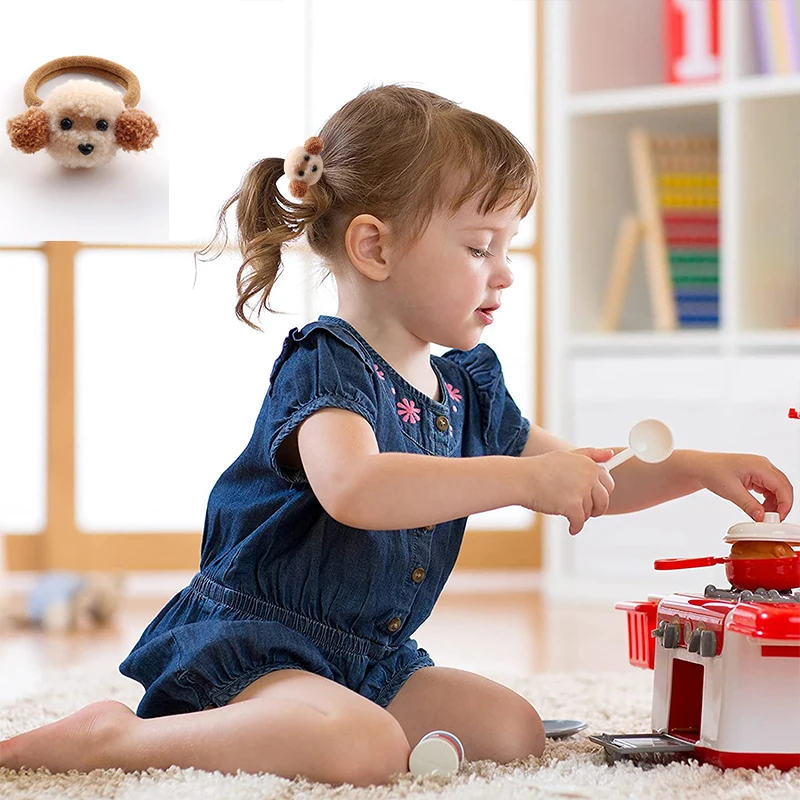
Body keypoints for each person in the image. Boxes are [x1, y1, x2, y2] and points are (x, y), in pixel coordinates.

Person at [0, 84, 792, 787]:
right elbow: (356, 489)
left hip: (365, 657)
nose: (506, 271)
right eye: (481, 247)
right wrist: (518, 482)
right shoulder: (328, 365)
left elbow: (583, 475)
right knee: (362, 748)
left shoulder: (463, 385)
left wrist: (693, 466)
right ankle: (116, 742)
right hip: (255, 644)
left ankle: (331, 730)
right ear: (374, 247)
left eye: (509, 246)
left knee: (510, 730)